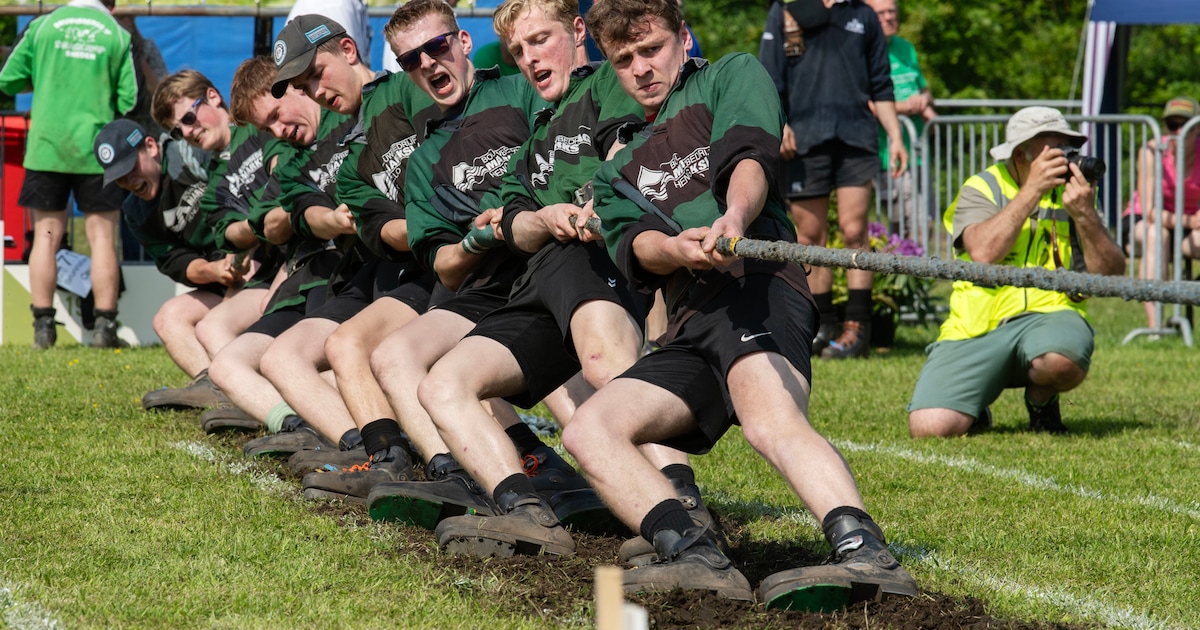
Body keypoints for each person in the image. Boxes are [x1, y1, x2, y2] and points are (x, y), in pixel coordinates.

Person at [436, 0, 916, 609]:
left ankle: (864, 551)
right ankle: (692, 552)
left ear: (682, 37)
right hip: (689, 320)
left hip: (757, 286)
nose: (640, 68)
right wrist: (677, 248)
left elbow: (749, 157)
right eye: (625, 59)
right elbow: (638, 244)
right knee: (590, 428)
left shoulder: (728, 76)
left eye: (652, 49)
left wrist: (733, 217)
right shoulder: (615, 169)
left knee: (766, 416)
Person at [411, 0, 710, 553]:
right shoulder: (533, 141)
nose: (530, 58)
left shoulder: (606, 86)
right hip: (538, 276)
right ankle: (524, 512)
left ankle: (681, 504)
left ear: (577, 31)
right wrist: (539, 218)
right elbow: (517, 225)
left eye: (539, 40)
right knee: (442, 384)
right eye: (519, 50)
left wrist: (596, 200)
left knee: (603, 362)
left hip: (597, 259)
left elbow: (631, 148)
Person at [907, 107, 1126, 438]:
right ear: (1020, 154)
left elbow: (1111, 274)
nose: (1066, 159)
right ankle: (975, 404)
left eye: (1070, 149)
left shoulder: (1075, 195)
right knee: (929, 428)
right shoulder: (983, 187)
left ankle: (1041, 401)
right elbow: (982, 253)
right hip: (977, 326)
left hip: (1050, 316)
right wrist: (1031, 193)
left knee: (1062, 358)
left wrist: (1085, 217)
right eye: (1054, 151)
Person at [759, 0, 907, 359]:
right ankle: (821, 325)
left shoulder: (863, 15)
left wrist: (895, 135)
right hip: (804, 142)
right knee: (810, 236)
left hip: (856, 140)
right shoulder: (787, 9)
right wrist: (781, 123)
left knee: (854, 230)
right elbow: (768, 78)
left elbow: (881, 84)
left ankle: (858, 329)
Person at [141, 70, 286, 415]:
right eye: (178, 131)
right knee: (194, 320)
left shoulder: (256, 126)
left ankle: (259, 401)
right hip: (263, 268)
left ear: (212, 96)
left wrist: (249, 237)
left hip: (297, 256)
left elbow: (288, 172)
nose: (187, 133)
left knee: (223, 320)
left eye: (189, 118)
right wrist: (232, 259)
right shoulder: (216, 181)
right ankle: (236, 394)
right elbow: (227, 235)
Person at [92, 119, 263, 409]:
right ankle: (215, 386)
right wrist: (216, 271)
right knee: (167, 318)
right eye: (120, 178)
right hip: (222, 279)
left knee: (232, 305)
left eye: (131, 169)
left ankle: (253, 390)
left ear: (150, 147)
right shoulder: (135, 212)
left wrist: (243, 252)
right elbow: (176, 262)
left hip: (259, 256)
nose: (129, 183)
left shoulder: (186, 155)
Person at [0, 0, 138, 349]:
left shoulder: (41, 26)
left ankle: (43, 328)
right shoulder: (116, 34)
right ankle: (105, 328)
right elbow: (129, 100)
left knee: (46, 236)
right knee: (102, 238)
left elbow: (8, 80)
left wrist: (47, 77)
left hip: (47, 145)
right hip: (98, 150)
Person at [1124, 96, 1200, 331]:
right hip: (1145, 222)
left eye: (1184, 125)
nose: (1178, 131)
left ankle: (1190, 296)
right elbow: (1149, 212)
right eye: (1172, 125)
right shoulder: (1150, 151)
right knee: (1156, 235)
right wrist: (1190, 220)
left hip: (1189, 225)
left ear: (1197, 128)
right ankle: (1155, 328)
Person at [864, 0, 935, 240]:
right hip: (887, 156)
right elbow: (866, 102)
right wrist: (906, 107)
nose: (887, 17)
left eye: (891, 11)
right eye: (880, 13)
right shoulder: (863, 50)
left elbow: (924, 90)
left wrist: (923, 101)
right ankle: (905, 275)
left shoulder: (906, 47)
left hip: (917, 152)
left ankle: (909, 276)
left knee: (925, 225)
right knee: (908, 227)